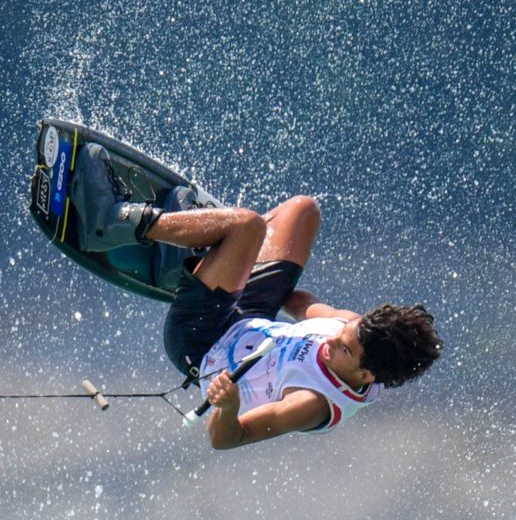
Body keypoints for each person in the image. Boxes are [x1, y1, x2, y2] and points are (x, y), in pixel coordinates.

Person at [73, 143, 441, 449]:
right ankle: (187, 256)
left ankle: (110, 221)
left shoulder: (313, 403)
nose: (331, 341)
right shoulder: (350, 329)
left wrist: (228, 406)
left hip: (201, 342)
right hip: (250, 318)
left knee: (245, 226)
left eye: (343, 349)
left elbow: (226, 439)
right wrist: (236, 263)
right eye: (342, 334)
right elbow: (298, 302)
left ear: (366, 374)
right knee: (302, 210)